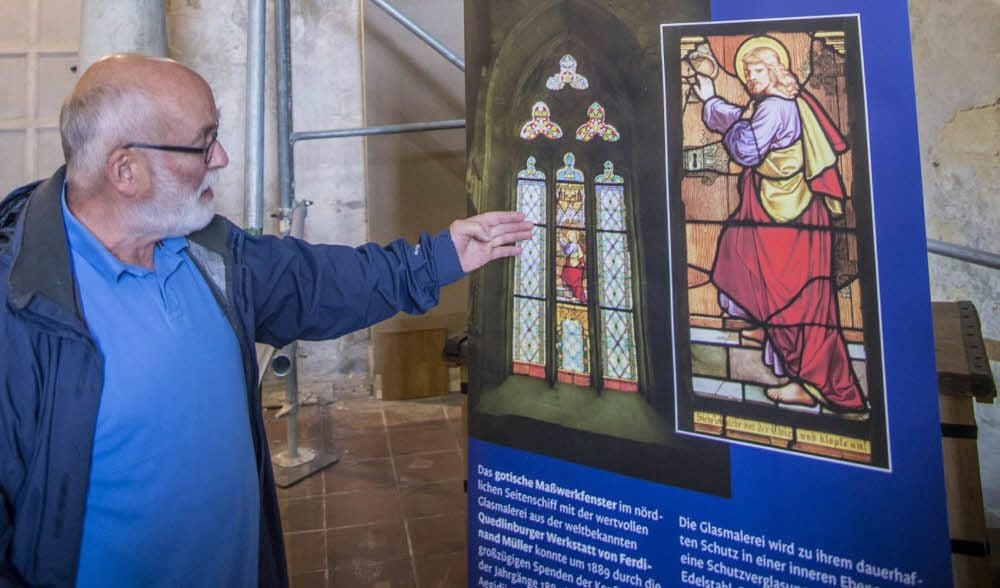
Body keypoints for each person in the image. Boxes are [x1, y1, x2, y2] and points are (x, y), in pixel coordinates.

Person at [0, 54, 532, 587]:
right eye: (204, 142)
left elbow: (316, 283)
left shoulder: (206, 249)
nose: (223, 157)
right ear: (125, 170)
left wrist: (439, 257)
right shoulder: (19, 312)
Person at [692, 39, 867, 417]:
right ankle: (764, 323)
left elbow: (747, 149)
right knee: (736, 255)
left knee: (795, 301)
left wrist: (712, 103)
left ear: (775, 71)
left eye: (757, 71)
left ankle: (821, 386)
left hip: (786, 219)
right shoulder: (783, 103)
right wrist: (711, 100)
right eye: (747, 71)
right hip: (778, 210)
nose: (750, 78)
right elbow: (745, 120)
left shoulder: (775, 107)